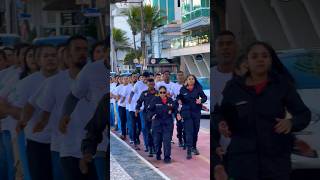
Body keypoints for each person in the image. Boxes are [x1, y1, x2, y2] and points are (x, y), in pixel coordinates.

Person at [213, 41, 311, 180]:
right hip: (242, 161)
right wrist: (221, 123)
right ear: (247, 61)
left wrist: (290, 123)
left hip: (275, 161)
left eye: (265, 56)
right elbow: (219, 113)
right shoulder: (234, 87)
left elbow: (303, 114)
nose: (260, 59)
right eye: (254, 56)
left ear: (270, 60)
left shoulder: (282, 86)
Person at [15, 45, 59, 180]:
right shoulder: (26, 83)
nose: (50, 59)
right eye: (46, 56)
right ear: (38, 60)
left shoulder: (67, 79)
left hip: (62, 142)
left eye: (53, 55)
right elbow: (21, 110)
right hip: (38, 142)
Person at [177, 74, 207, 159]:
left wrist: (200, 100)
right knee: (189, 131)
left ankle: (194, 146)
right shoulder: (183, 89)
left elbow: (204, 97)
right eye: (189, 79)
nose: (191, 80)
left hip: (196, 112)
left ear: (194, 80)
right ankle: (189, 150)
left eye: (192, 79)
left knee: (195, 131)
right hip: (186, 113)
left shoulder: (198, 88)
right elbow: (179, 97)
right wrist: (179, 100)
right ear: (187, 80)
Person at [149, 86, 177, 163]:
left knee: (167, 141)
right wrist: (152, 116)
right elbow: (149, 110)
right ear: (158, 93)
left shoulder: (170, 100)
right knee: (157, 141)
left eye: (164, 92)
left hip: (167, 124)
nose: (162, 94)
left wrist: (174, 112)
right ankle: (158, 153)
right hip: (157, 124)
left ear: (166, 93)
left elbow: (175, 109)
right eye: (160, 92)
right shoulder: (155, 100)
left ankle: (167, 157)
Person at [136, 78, 158, 157]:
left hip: (156, 116)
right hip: (147, 115)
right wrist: (137, 109)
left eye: (152, 84)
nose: (151, 86)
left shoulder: (158, 93)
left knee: (155, 132)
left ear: (154, 84)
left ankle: (155, 147)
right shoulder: (144, 93)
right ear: (147, 85)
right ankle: (150, 148)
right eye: (149, 84)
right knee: (148, 132)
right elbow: (139, 102)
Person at [129, 72, 149, 151]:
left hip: (143, 109)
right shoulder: (138, 84)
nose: (144, 79)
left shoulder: (149, 84)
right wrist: (130, 99)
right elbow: (132, 92)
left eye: (146, 78)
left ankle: (137, 138)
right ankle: (135, 142)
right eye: (143, 77)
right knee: (134, 126)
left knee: (141, 127)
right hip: (134, 108)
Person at [173, 71, 186, 148]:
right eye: (179, 75)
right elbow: (171, 95)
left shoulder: (186, 85)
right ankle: (180, 139)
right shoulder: (174, 86)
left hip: (186, 108)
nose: (180, 77)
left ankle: (185, 140)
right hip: (177, 108)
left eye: (181, 75)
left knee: (186, 124)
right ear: (177, 77)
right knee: (180, 124)